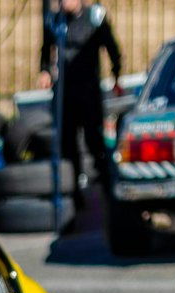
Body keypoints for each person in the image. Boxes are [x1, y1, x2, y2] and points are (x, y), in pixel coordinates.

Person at [39, 0, 123, 202]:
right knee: (68, 145)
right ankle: (74, 193)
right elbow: (45, 50)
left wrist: (116, 74)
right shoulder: (55, 20)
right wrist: (45, 71)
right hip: (65, 94)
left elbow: (111, 47)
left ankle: (107, 188)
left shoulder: (94, 18)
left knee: (95, 142)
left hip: (89, 93)